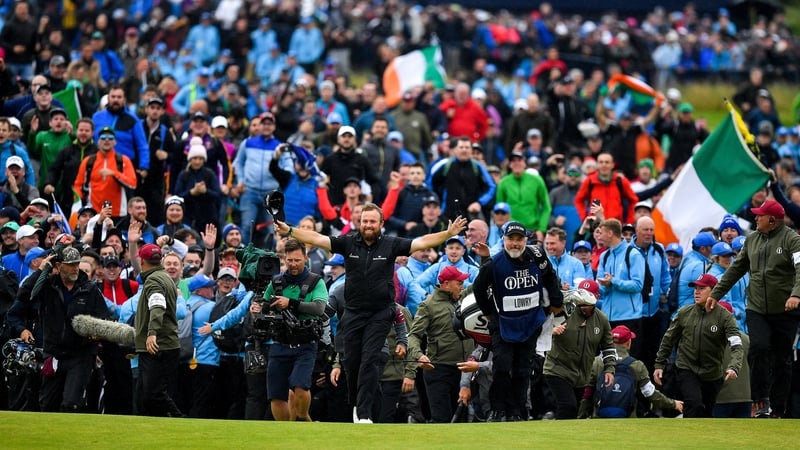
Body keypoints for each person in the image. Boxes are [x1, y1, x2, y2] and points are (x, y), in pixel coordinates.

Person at [274, 203, 467, 424]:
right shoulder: (347, 243)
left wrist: (448, 234)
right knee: (353, 361)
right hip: (354, 313)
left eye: (372, 221)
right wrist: (290, 230)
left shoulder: (391, 244)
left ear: (381, 224)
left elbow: (421, 242)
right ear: (359, 222)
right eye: (365, 221)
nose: (368, 225)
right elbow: (317, 238)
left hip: (381, 312)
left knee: (370, 360)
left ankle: (364, 413)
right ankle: (359, 404)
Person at [708, 199, 800, 418]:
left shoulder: (792, 240)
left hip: (785, 309)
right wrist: (715, 293)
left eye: (760, 215)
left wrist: (796, 294)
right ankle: (760, 400)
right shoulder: (752, 240)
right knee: (758, 348)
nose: (755, 218)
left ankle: (778, 408)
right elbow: (735, 269)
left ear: (772, 220)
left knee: (782, 359)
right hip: (757, 307)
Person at [472, 221, 564, 421]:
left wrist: (557, 302)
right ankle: (498, 410)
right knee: (502, 368)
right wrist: (488, 313)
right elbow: (478, 288)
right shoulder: (494, 264)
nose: (515, 243)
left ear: (526, 240)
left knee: (523, 370)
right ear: (503, 239)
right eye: (510, 239)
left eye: (519, 239)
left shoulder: (537, 255)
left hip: (531, 322)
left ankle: (517, 411)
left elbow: (550, 277)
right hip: (504, 324)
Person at [6, 246, 108, 412]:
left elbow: (103, 317)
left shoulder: (89, 289)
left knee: (71, 403)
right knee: (48, 404)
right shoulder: (48, 287)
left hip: (80, 354)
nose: (75, 268)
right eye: (70, 264)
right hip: (53, 354)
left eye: (77, 263)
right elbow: (24, 295)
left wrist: (96, 335)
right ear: (59, 266)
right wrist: (42, 270)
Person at [256, 238, 327, 421]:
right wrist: (259, 307)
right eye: (289, 260)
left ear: (305, 258)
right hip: (280, 343)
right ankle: (284, 430)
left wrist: (291, 303)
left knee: (300, 386)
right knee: (276, 393)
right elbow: (264, 304)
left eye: (297, 260)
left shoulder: (316, 282)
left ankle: (303, 418)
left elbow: (319, 308)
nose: (293, 264)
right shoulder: (277, 282)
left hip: (305, 344)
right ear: (284, 259)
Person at [654, 274, 743, 418]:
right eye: (696, 288)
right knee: (694, 404)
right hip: (686, 368)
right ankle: (689, 437)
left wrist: (734, 366)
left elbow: (736, 345)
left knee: (707, 412)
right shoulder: (684, 313)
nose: (697, 291)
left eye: (702, 288)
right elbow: (668, 339)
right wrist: (659, 364)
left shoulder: (725, 317)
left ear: (714, 291)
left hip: (713, 372)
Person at [408, 266, 475, 423]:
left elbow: (478, 284)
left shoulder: (461, 299)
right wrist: (419, 355)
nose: (462, 286)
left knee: (462, 422)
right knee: (442, 419)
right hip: (439, 369)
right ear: (446, 284)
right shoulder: (428, 305)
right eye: (459, 283)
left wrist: (486, 260)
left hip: (464, 370)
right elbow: (413, 336)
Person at [543, 284, 616, 420]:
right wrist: (551, 331)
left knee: (574, 409)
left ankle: (563, 437)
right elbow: (539, 329)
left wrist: (609, 369)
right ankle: (560, 438)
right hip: (557, 369)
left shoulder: (602, 319)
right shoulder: (564, 312)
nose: (583, 301)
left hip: (582, 376)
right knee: (568, 406)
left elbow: (608, 347)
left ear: (596, 297)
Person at [585, 325, 683, 417]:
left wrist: (581, 415)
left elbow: (587, 393)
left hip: (599, 416)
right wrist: (673, 404)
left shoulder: (597, 362)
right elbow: (650, 394)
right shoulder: (637, 365)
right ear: (628, 343)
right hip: (627, 418)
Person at [134, 243, 184, 417]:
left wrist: (152, 333)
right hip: (166, 344)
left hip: (157, 345)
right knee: (144, 394)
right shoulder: (165, 277)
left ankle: (179, 419)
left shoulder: (153, 280)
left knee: (152, 394)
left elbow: (157, 305)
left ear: (142, 261)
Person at [596, 219, 646, 357]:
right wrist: (604, 285)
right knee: (608, 358)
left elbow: (638, 285)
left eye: (601, 233)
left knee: (628, 361)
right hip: (608, 318)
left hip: (629, 317)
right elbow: (602, 287)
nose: (599, 236)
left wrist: (614, 282)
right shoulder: (604, 256)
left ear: (610, 233)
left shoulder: (633, 254)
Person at [72, 126, 138, 218]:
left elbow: (132, 183)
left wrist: (114, 173)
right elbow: (78, 184)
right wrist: (77, 203)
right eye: (103, 138)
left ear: (115, 142)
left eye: (110, 138)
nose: (107, 140)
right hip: (93, 212)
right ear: (98, 141)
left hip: (117, 213)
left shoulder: (123, 160)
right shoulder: (89, 161)